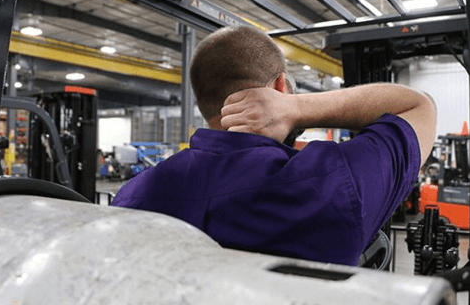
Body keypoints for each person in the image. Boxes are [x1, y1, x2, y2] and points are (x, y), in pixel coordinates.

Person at [112, 25, 437, 266]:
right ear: (279, 86)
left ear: (203, 102)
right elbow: (418, 107)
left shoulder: (132, 196)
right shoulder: (329, 185)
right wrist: (297, 108)